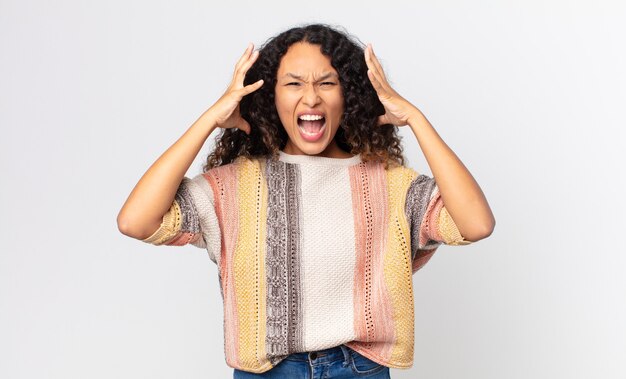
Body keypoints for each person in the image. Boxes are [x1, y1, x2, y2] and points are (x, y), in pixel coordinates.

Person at [117, 23, 495, 379]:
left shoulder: (389, 184)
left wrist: (415, 117)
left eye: (327, 83)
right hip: (265, 371)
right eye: (293, 83)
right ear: (270, 95)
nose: (311, 96)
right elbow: (136, 221)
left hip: (360, 368)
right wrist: (210, 119)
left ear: (349, 94)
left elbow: (476, 224)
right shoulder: (235, 186)